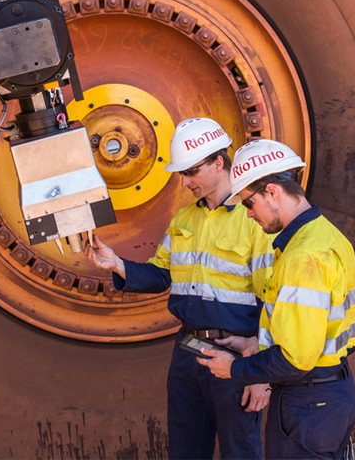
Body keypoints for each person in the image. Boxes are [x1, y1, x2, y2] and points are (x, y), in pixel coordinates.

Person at [84, 118, 274, 460]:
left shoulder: (254, 220)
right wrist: (117, 265)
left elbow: (274, 299)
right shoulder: (184, 219)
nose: (185, 182)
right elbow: (162, 275)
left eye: (191, 172)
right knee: (185, 451)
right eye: (181, 174)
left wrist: (262, 372)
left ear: (219, 162)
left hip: (235, 353)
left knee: (240, 452)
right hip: (187, 352)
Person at [195, 139, 355, 459]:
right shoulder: (326, 235)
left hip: (307, 403)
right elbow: (319, 328)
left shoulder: (302, 256)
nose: (248, 215)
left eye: (248, 203)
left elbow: (295, 358)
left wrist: (235, 369)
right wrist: (254, 346)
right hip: (334, 393)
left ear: (272, 192)